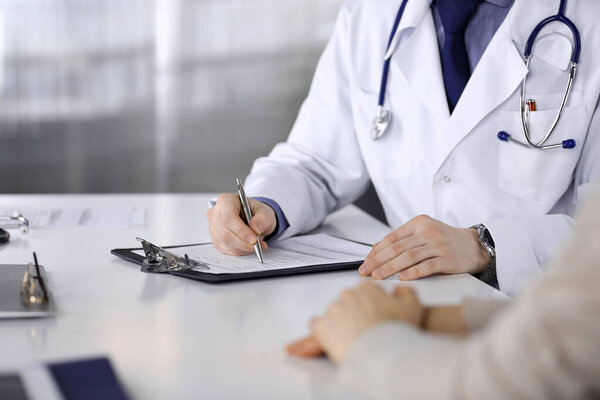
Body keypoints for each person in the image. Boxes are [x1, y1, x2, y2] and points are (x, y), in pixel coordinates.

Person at [207, 0, 600, 294]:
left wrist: (488, 248)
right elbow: (316, 161)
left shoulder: (589, 21)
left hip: (547, 316)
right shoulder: (372, 13)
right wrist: (263, 206)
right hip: (409, 304)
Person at [286, 190, 600, 400]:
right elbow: (584, 319)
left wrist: (371, 342)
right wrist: (441, 320)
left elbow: (518, 382)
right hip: (444, 293)